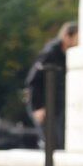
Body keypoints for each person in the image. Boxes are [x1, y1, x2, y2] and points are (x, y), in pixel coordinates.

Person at [26, 21, 77, 150]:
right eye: (77, 38)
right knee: (52, 142)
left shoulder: (66, 56)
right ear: (67, 36)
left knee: (60, 143)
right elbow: (33, 81)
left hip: (58, 106)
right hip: (45, 107)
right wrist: (37, 107)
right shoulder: (50, 53)